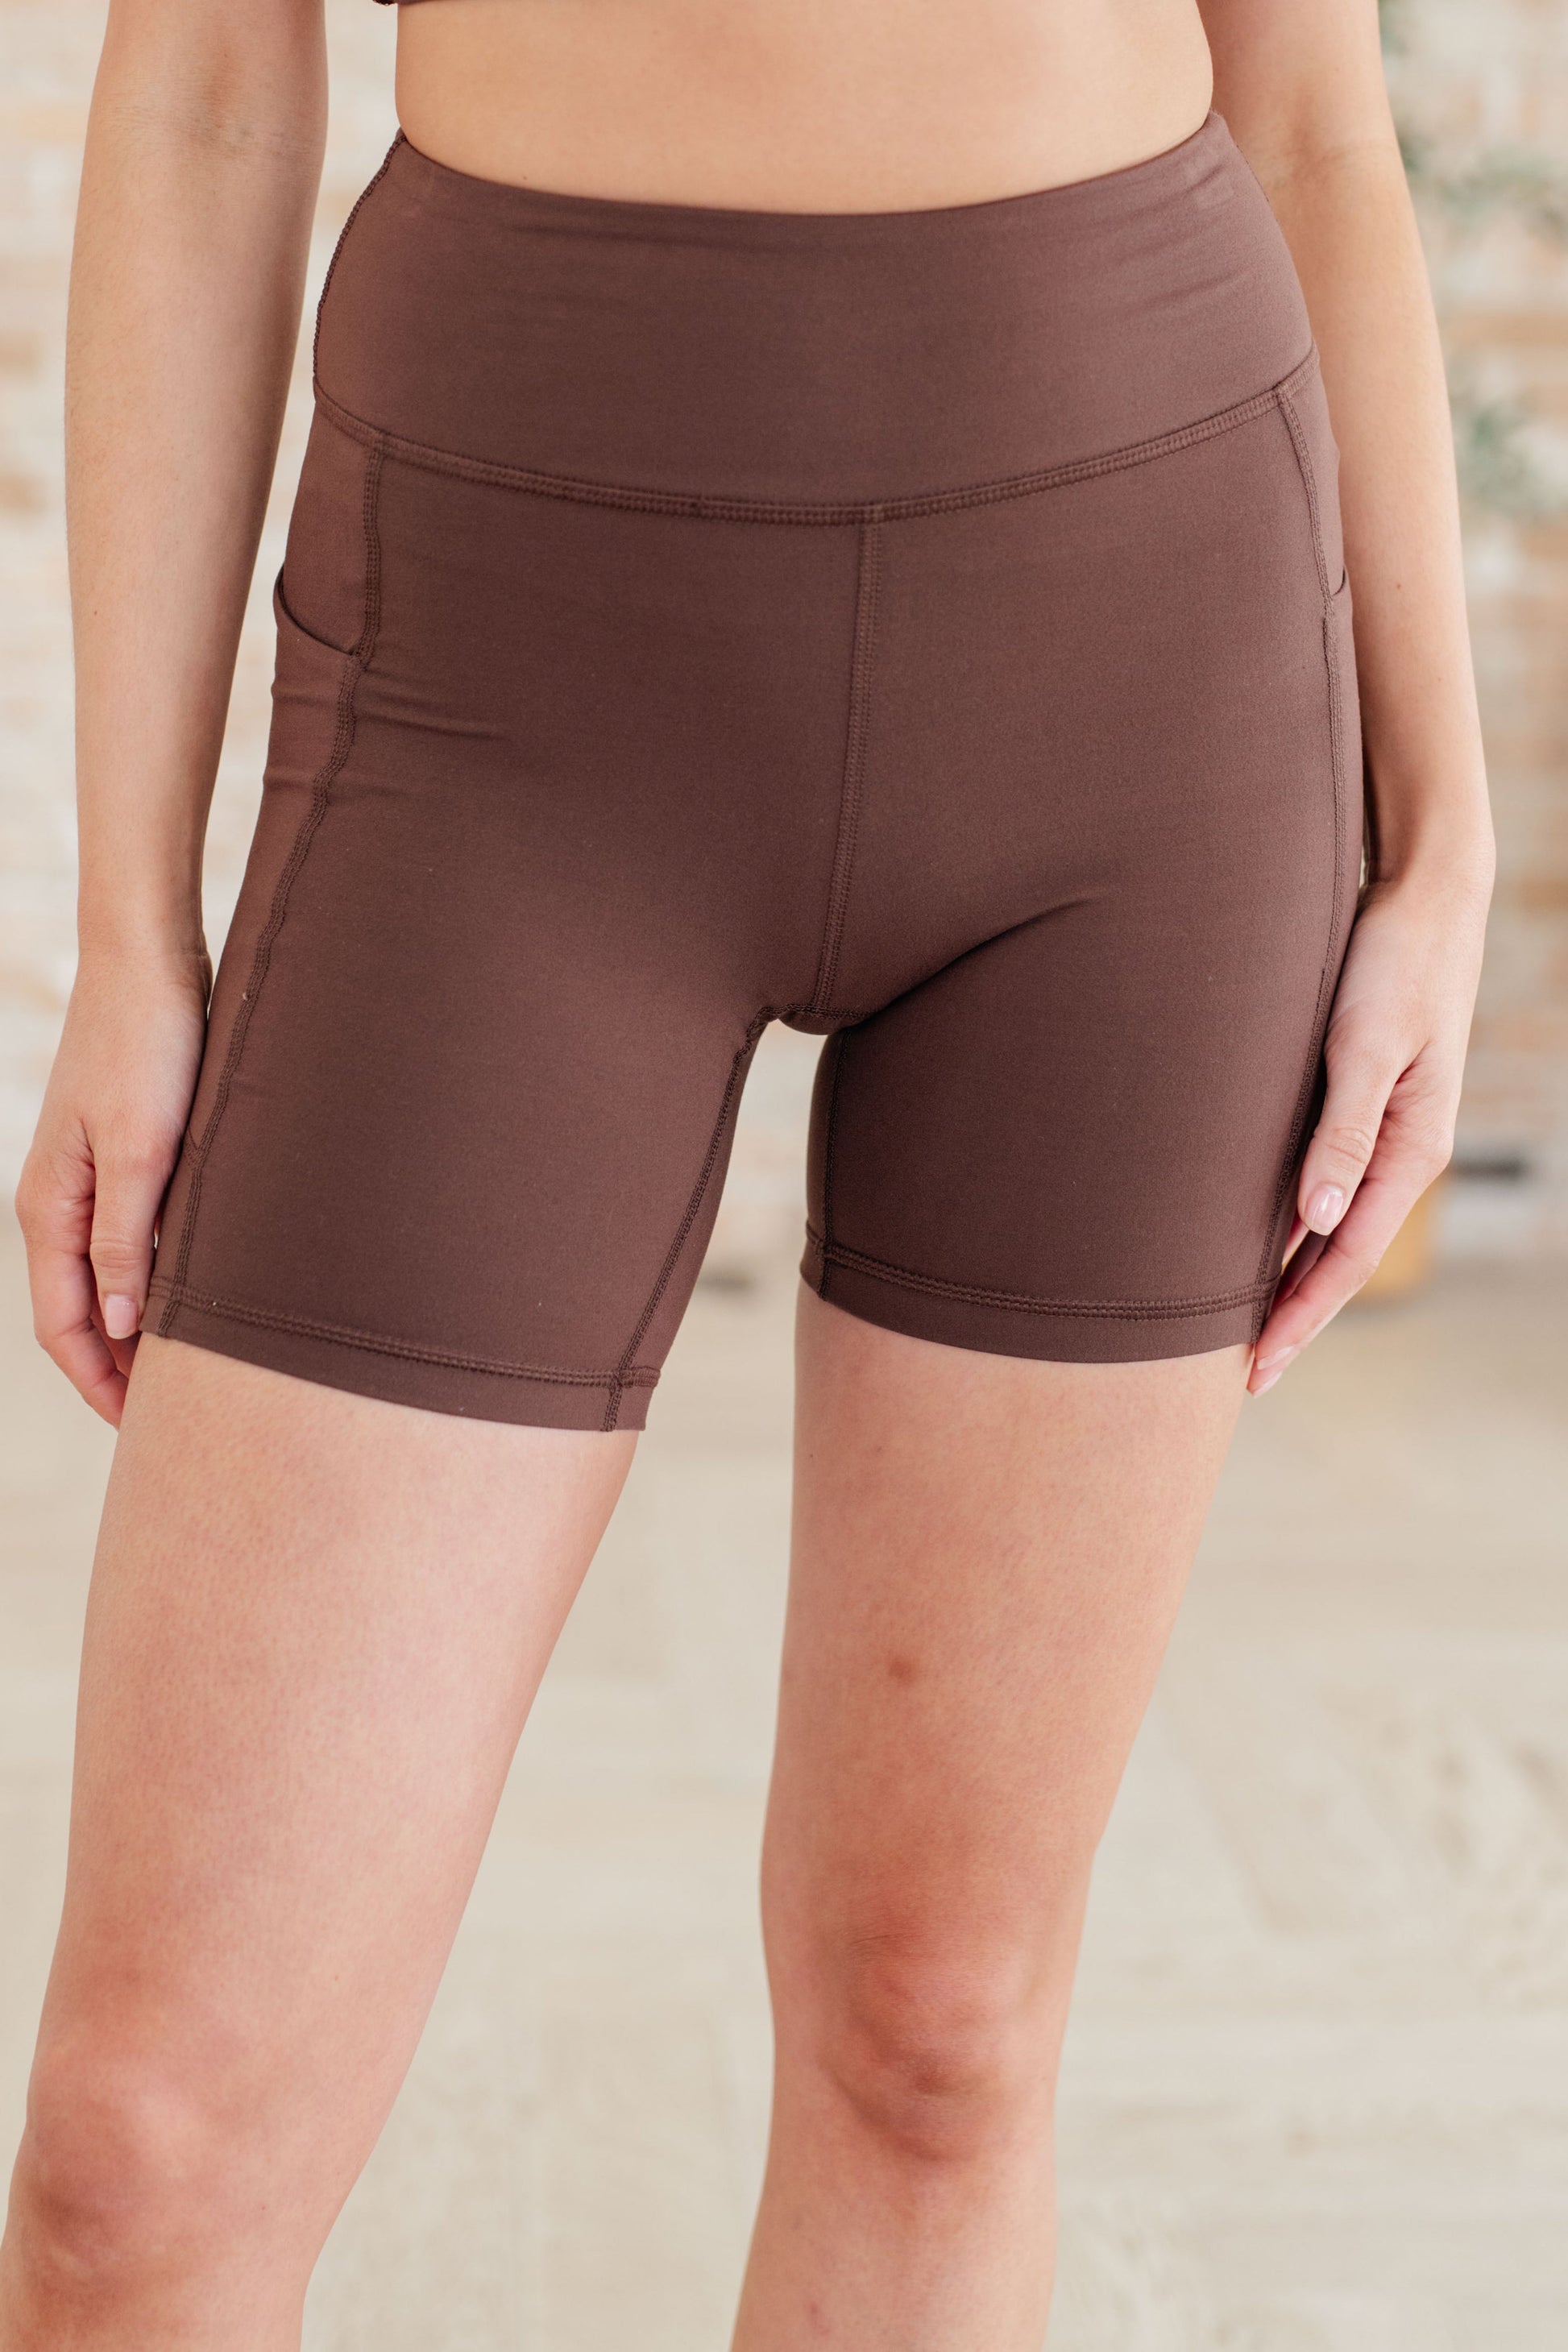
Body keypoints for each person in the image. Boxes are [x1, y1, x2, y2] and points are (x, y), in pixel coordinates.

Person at [4, 0, 1492, 2342]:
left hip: (1139, 642)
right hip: (501, 671)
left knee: (936, 2030)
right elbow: (200, 96)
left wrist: (1448, 834)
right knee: (144, 2152)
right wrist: (127, 936)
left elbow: (1311, 112)